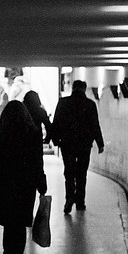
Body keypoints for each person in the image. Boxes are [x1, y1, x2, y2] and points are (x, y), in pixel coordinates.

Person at [0, 100, 47, 254]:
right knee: (20, 220)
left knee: (10, 220)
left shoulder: (2, 132)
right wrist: (41, 183)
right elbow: (37, 162)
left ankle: (10, 252)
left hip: (6, 182)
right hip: (26, 183)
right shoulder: (32, 133)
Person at [49, 80, 105, 214]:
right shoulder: (90, 104)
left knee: (69, 172)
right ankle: (80, 202)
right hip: (84, 145)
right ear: (84, 89)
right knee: (81, 173)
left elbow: (56, 122)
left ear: (73, 88)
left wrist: (55, 140)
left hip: (67, 143)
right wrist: (100, 143)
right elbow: (94, 125)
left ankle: (69, 198)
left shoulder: (63, 103)